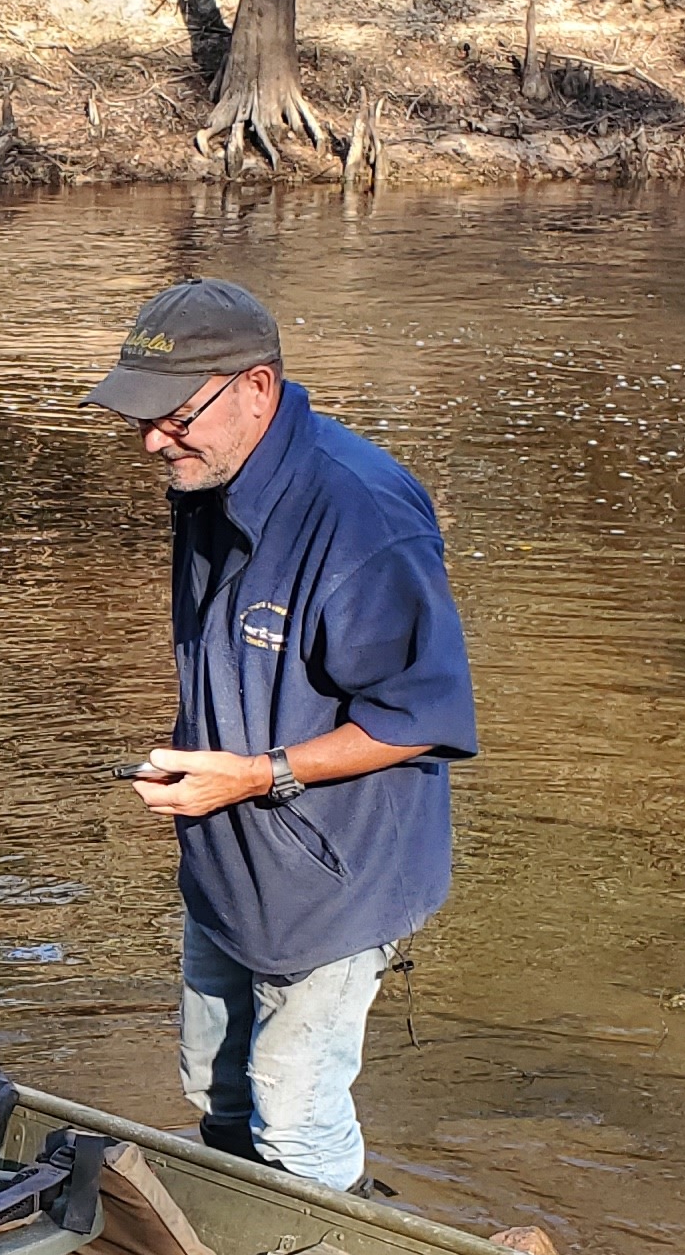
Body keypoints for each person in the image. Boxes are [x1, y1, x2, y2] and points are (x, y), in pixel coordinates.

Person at [82, 278, 476, 1194]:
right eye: (142, 418)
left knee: (294, 1108)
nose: (151, 441)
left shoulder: (363, 515)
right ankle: (243, 1236)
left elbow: (419, 718)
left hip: (341, 868)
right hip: (227, 850)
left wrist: (255, 772)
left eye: (174, 416)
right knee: (211, 1089)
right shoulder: (208, 475)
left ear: (255, 388)